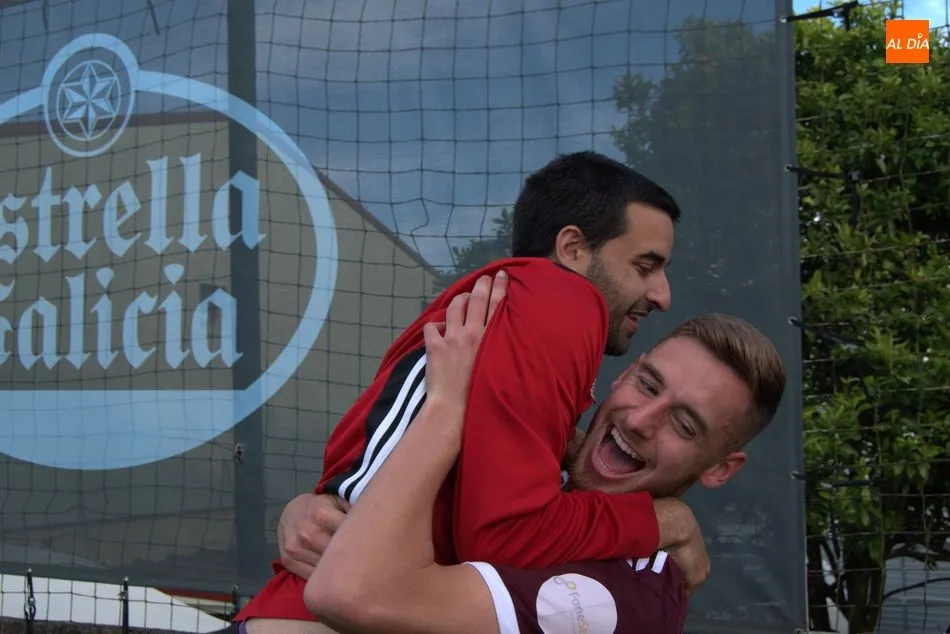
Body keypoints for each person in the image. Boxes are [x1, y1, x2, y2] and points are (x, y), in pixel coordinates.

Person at [236, 151, 704, 632]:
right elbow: (508, 536)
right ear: (572, 249)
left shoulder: (509, 308)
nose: (662, 295)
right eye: (645, 266)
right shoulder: (564, 299)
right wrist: (665, 520)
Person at [299, 275, 786, 634]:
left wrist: (447, 408)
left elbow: (355, 593)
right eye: (648, 385)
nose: (640, 420)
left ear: (720, 468)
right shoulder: (538, 470)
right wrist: (311, 511)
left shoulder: (630, 598)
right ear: (624, 375)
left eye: (684, 425)